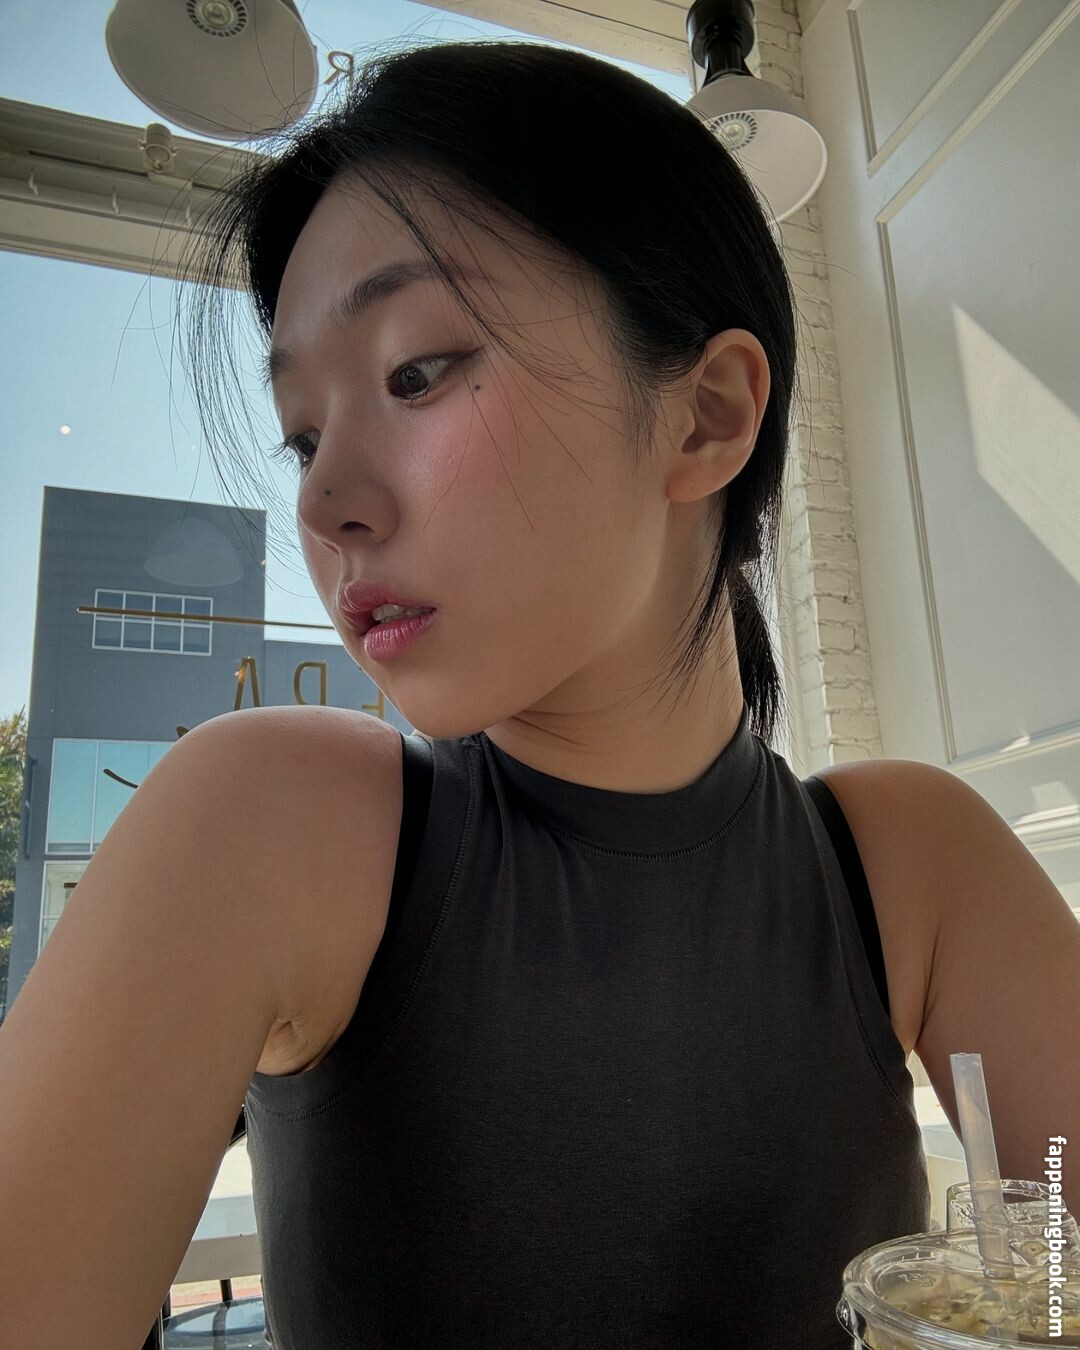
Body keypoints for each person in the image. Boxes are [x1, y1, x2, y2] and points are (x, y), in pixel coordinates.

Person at [2, 37, 1077, 1350]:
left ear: (706, 414)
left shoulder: (911, 865)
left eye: (415, 372)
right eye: (304, 434)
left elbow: (1058, 1265)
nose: (324, 502)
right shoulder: (271, 823)